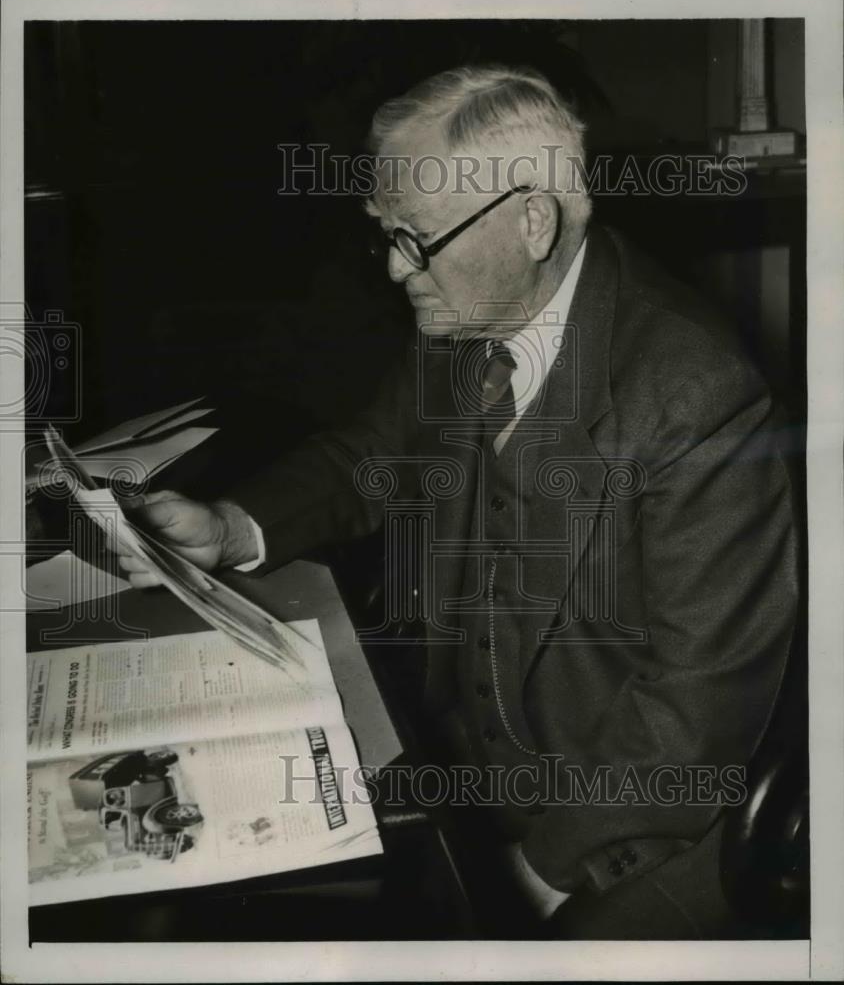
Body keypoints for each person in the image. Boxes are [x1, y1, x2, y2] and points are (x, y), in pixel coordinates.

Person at [118, 65, 798, 938]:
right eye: (387, 236)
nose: (400, 271)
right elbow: (371, 453)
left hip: (631, 820)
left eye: (418, 239)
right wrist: (229, 526)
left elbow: (695, 710)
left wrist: (539, 872)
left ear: (533, 220)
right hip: (460, 766)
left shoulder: (698, 394)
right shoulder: (468, 312)